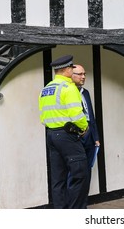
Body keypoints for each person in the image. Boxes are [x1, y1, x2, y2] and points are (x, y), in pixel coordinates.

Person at [38, 55, 89, 208]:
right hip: (68, 136)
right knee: (80, 174)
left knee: (58, 179)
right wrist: (84, 127)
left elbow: (42, 115)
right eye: (71, 69)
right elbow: (77, 114)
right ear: (67, 70)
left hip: (52, 135)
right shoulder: (68, 87)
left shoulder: (46, 88)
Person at [71, 64, 101, 207]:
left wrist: (95, 137)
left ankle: (83, 203)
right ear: (71, 75)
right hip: (76, 135)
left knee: (87, 170)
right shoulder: (68, 92)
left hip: (89, 134)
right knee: (76, 172)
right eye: (79, 74)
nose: (83, 77)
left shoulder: (86, 92)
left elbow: (91, 116)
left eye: (84, 74)